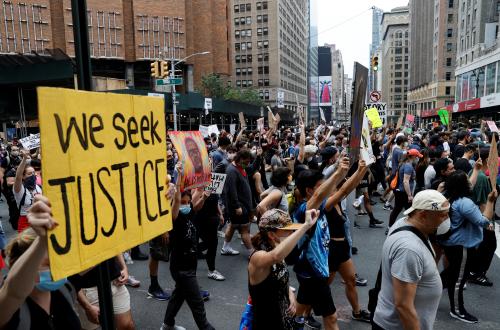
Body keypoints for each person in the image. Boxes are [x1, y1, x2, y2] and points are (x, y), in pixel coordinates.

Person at [0, 195, 81, 329]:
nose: (55, 270)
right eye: (47, 264)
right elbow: (14, 291)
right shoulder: (11, 307)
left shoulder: (64, 290)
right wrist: (42, 240)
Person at [373, 190, 450, 330]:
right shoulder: (409, 249)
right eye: (443, 215)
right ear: (423, 215)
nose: (446, 220)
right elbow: (404, 306)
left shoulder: (405, 222)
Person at [293, 157, 350, 330]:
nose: (326, 189)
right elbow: (320, 195)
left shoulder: (321, 208)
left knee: (299, 309)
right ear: (309, 191)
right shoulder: (304, 210)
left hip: (314, 270)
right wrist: (338, 172)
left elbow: (343, 192)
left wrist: (360, 169)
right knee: (331, 318)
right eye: (321, 186)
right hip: (312, 272)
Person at [162, 167, 215, 330]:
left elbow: (196, 204)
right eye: (182, 203)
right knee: (197, 302)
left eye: (187, 202)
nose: (185, 204)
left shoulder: (189, 214)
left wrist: (204, 195)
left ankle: (167, 324)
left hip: (189, 265)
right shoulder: (175, 219)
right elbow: (177, 199)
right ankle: (205, 327)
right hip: (181, 268)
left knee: (178, 296)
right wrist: (178, 180)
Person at [440, 171, 496, 323]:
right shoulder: (465, 202)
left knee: (452, 272)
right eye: (468, 180)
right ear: (462, 185)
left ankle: (428, 288)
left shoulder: (450, 197)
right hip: (461, 245)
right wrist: (490, 201)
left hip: (451, 243)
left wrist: (476, 169)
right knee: (459, 278)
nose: (471, 182)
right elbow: (484, 221)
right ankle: (457, 310)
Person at [248, 208, 319, 329]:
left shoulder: (276, 248)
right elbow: (275, 257)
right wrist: (305, 226)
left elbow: (280, 278)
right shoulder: (258, 257)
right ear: (271, 235)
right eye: (287, 231)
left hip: (284, 320)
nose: (291, 234)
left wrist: (290, 295)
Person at [324, 159, 371, 322]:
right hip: (331, 249)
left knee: (351, 280)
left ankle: (356, 312)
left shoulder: (336, 201)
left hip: (342, 247)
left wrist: (363, 170)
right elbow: (345, 189)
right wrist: (359, 170)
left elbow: (349, 187)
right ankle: (306, 313)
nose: (340, 184)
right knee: (323, 287)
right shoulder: (327, 203)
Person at [221, 149, 254, 256]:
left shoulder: (240, 167)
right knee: (244, 229)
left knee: (233, 225)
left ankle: (225, 247)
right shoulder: (232, 171)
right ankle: (252, 253)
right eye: (246, 162)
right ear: (240, 159)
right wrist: (237, 206)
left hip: (242, 204)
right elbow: (231, 190)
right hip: (239, 206)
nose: (247, 165)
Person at [388, 149, 422, 228]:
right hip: (403, 192)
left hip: (400, 191)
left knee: (398, 209)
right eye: (417, 157)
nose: (418, 159)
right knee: (409, 211)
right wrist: (409, 195)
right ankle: (412, 227)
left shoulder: (404, 163)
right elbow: (405, 181)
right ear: (413, 156)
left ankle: (390, 227)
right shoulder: (408, 166)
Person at [13, 149, 42, 233]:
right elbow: (18, 176)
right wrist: (24, 159)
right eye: (29, 174)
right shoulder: (20, 189)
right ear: (23, 177)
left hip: (39, 220)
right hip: (26, 222)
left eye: (33, 173)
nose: (33, 176)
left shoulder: (38, 187)